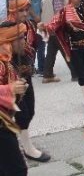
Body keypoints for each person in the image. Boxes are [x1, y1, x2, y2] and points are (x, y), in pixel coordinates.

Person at [7, 0, 51, 163]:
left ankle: (20, 142)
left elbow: (34, 45)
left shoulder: (30, 25)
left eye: (27, 10)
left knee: (29, 110)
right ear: (13, 12)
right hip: (13, 77)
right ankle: (27, 148)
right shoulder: (7, 28)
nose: (25, 13)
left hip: (27, 74)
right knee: (22, 112)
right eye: (21, 10)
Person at [0, 21, 29, 176]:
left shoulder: (7, 61)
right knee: (17, 170)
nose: (24, 41)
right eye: (21, 38)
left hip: (5, 123)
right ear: (9, 41)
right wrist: (10, 89)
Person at [40, 0, 75, 83]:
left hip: (49, 26)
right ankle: (76, 74)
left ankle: (47, 75)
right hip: (56, 28)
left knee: (51, 51)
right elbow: (59, 12)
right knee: (66, 50)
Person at [25, 0, 47, 75]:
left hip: (38, 20)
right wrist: (35, 16)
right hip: (32, 21)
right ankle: (39, 68)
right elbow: (26, 3)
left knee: (39, 44)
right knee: (35, 44)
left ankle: (38, 67)